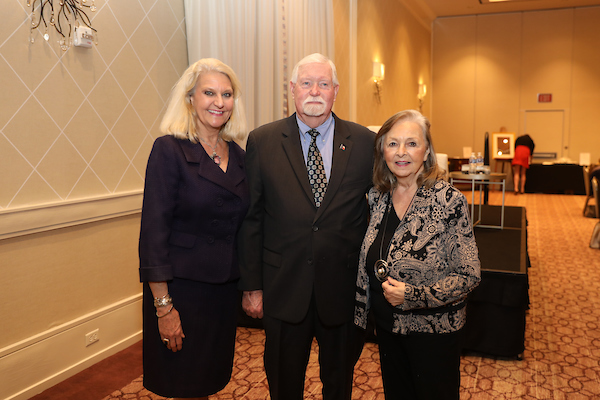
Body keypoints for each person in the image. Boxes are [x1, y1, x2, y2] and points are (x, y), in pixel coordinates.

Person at [238, 53, 375, 400]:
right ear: (292, 89)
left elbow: (377, 210)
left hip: (342, 290)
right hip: (283, 287)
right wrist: (252, 286)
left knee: (339, 382)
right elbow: (252, 218)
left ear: (335, 91)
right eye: (307, 83)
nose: (315, 91)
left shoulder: (364, 143)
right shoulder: (262, 141)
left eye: (323, 84)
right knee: (283, 383)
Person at [138, 58, 249, 400]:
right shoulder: (169, 150)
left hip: (222, 293)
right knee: (181, 384)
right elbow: (153, 235)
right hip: (180, 294)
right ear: (190, 99)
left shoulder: (241, 156)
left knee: (211, 380)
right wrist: (164, 307)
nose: (219, 101)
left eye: (227, 94)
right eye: (209, 93)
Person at [354, 110, 481, 400]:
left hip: (433, 332)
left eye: (412, 143)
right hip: (387, 329)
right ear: (382, 151)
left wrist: (412, 295)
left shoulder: (448, 200)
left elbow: (469, 273)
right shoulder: (377, 197)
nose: (401, 152)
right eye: (392, 143)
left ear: (426, 152)